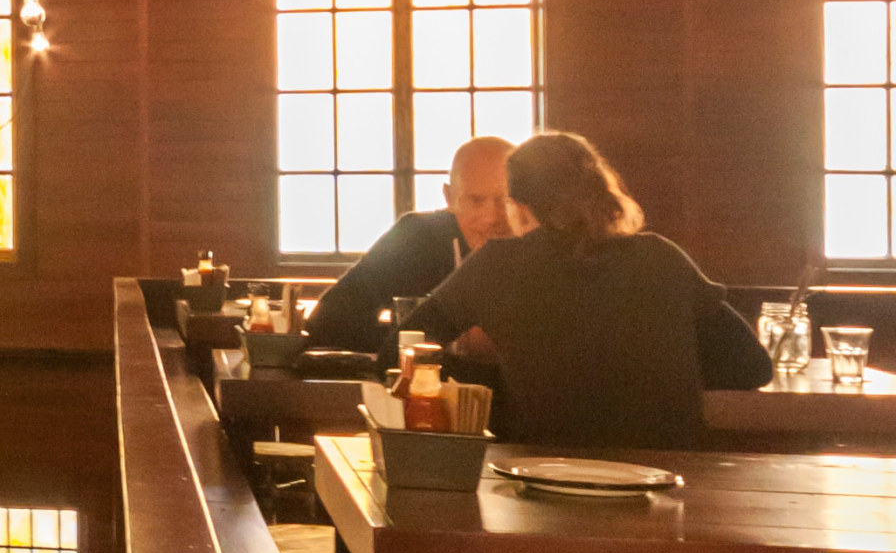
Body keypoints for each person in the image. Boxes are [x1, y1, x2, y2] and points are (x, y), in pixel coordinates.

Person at [416, 128, 770, 455]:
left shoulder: (498, 264)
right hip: (668, 484)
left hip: (543, 477)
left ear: (519, 206)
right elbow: (751, 367)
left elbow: (403, 352)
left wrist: (499, 386)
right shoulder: (660, 256)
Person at [300, 136, 514, 356]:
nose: (492, 217)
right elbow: (329, 322)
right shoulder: (416, 238)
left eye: (505, 200)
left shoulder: (543, 246)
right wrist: (440, 343)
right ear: (449, 197)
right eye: (476, 201)